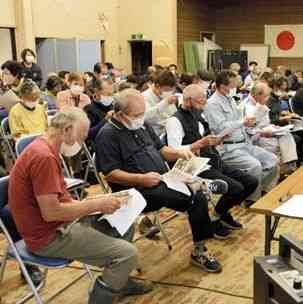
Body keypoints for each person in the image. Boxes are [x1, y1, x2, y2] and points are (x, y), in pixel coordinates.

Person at [9, 108, 152, 304]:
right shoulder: (44, 157)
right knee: (127, 254)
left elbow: (57, 200)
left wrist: (97, 201)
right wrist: (96, 205)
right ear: (67, 129)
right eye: (82, 135)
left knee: (123, 223)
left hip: (58, 224)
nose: (84, 142)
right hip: (49, 236)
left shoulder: (45, 147)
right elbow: (51, 213)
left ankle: (119, 281)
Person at [95, 88, 225, 272]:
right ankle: (200, 186)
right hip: (136, 191)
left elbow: (162, 150)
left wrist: (179, 152)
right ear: (120, 114)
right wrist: (141, 179)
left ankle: (199, 249)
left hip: (162, 180)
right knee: (195, 196)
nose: (141, 118)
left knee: (197, 197)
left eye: (142, 113)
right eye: (136, 115)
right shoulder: (107, 135)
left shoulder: (142, 124)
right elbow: (110, 173)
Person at [166, 84, 258, 232]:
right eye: (200, 101)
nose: (204, 105)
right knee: (235, 188)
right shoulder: (174, 121)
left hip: (211, 159)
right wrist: (197, 144)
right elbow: (172, 151)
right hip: (192, 166)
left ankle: (218, 214)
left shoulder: (198, 115)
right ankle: (216, 219)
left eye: (204, 100)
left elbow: (205, 136)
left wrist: (217, 139)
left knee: (251, 182)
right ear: (188, 100)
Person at [204, 71, 279, 202]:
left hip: (244, 143)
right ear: (222, 87)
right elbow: (221, 128)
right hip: (228, 148)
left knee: (273, 160)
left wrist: (250, 125)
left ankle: (260, 189)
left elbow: (241, 123)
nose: (236, 88)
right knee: (255, 166)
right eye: (232, 86)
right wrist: (242, 122)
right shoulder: (212, 104)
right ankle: (252, 199)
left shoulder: (231, 100)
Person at [242, 82, 299, 172]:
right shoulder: (248, 107)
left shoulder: (260, 103)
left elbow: (266, 122)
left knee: (287, 135)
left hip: (266, 130)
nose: (267, 99)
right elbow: (249, 131)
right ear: (256, 95)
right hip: (257, 137)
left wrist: (272, 126)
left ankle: (289, 166)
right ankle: (277, 170)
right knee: (273, 143)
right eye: (265, 96)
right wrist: (263, 131)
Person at [268, 78, 303, 165]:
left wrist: (287, 114)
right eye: (277, 89)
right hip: (276, 127)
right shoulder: (269, 100)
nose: (280, 91)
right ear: (273, 88)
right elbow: (271, 119)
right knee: (297, 138)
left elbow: (277, 112)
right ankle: (293, 163)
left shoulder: (276, 99)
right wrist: (285, 117)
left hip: (285, 124)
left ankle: (302, 161)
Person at [142, 70, 178, 136]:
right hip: (154, 133)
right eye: (167, 90)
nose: (169, 92)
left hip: (169, 130)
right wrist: (165, 103)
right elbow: (146, 116)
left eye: (171, 90)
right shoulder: (144, 96)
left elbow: (174, 113)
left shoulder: (167, 95)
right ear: (158, 86)